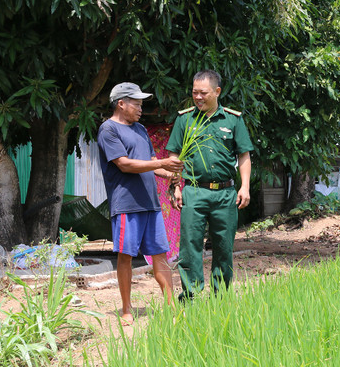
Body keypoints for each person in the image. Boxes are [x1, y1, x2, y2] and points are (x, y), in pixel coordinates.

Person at [98, 82, 183, 324]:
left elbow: (151, 161)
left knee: (160, 255)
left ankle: (172, 307)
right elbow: (124, 164)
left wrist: (169, 173)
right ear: (121, 104)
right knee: (126, 256)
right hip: (127, 204)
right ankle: (127, 309)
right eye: (136, 103)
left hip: (150, 203)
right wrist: (162, 163)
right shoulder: (108, 130)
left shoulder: (141, 129)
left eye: (141, 104)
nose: (140, 108)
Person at [166, 70, 254, 300]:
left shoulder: (233, 119)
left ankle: (220, 297)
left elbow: (244, 155)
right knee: (189, 248)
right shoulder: (185, 119)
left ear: (217, 92)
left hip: (225, 194)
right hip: (194, 191)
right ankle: (191, 297)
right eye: (194, 92)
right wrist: (176, 187)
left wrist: (244, 187)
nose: (198, 97)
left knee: (224, 248)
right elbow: (174, 155)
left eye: (203, 93)